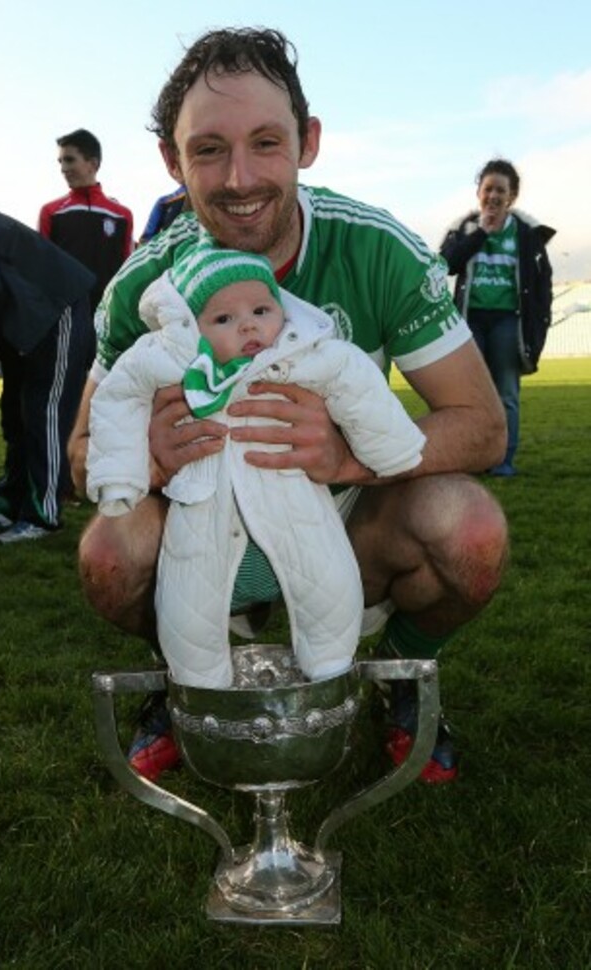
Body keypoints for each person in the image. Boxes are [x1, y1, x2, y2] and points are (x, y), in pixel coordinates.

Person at [68, 28, 509, 785]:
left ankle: (400, 677)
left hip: (342, 522)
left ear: (306, 142)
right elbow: (79, 451)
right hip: (199, 527)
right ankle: (185, 676)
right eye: (208, 150)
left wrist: (348, 452)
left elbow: (483, 423)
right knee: (109, 555)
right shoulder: (143, 282)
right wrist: (143, 454)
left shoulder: (377, 249)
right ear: (173, 162)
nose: (239, 177)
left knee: (471, 533)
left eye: (265, 142)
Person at [87, 242, 426, 690]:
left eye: (261, 310)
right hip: (202, 510)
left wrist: (391, 451)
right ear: (194, 326)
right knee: (188, 609)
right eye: (223, 319)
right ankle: (199, 690)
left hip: (297, 502)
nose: (248, 324)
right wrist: (120, 474)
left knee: (328, 586)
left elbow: (354, 378)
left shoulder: (300, 355)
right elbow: (118, 397)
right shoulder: (168, 359)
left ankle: (328, 675)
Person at [0, 201, 95, 542]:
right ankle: (10, 502)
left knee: (45, 414)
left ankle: (43, 516)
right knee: (15, 411)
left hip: (55, 309)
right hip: (23, 321)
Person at [439, 159, 556, 477]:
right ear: (478, 191)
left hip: (508, 322)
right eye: (487, 188)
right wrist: (480, 234)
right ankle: (471, 458)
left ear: (512, 197)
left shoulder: (527, 234)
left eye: (500, 190)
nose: (493, 196)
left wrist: (539, 324)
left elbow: (542, 283)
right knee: (469, 393)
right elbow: (445, 264)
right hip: (470, 320)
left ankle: (503, 460)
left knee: (505, 392)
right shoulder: (464, 227)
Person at [38, 128, 134, 333]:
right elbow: (42, 269)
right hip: (65, 318)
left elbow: (128, 270)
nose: (63, 168)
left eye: (69, 160)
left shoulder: (122, 215)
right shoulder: (51, 212)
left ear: (93, 164)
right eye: (60, 162)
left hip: (109, 318)